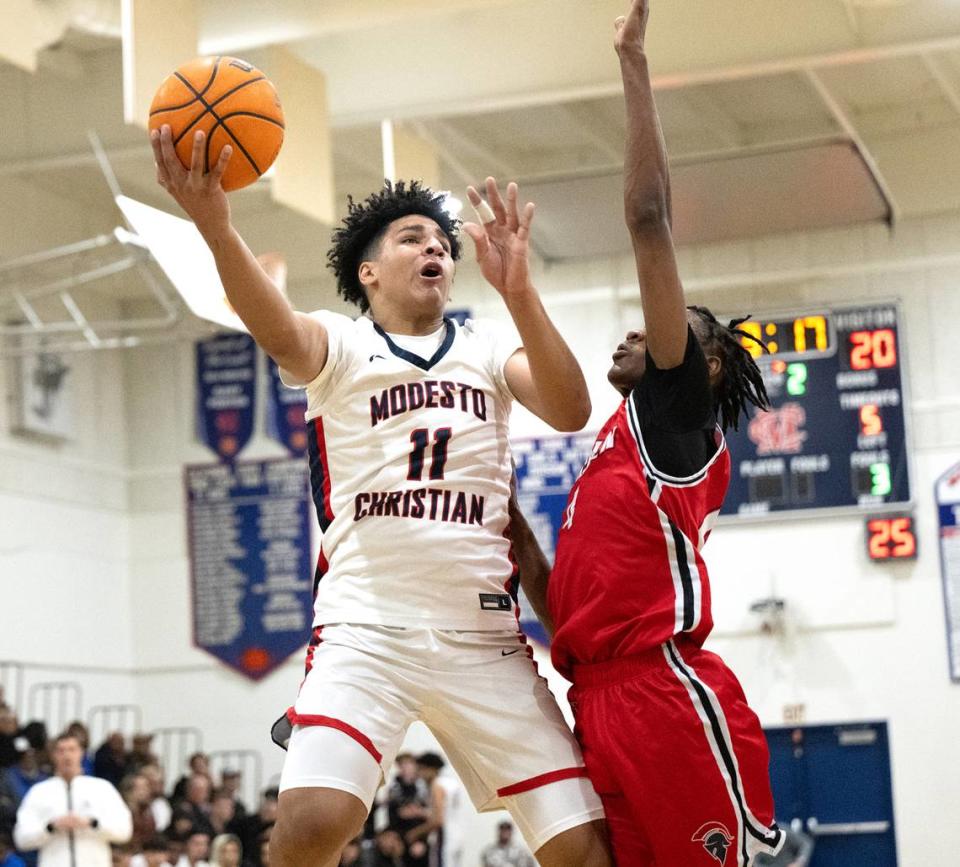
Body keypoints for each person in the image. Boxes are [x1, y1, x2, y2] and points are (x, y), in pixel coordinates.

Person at [151, 114, 610, 867]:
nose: (434, 247)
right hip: (367, 624)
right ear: (368, 270)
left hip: (485, 636)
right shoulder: (343, 345)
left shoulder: (488, 347)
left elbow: (570, 408)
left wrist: (521, 290)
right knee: (310, 822)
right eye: (411, 238)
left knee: (585, 850)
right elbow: (275, 327)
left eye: (442, 243)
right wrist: (215, 228)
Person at [507, 2, 785, 864]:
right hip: (592, 693)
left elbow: (647, 218)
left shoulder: (675, 416)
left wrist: (631, 62)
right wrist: (500, 513)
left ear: (699, 367)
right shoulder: (608, 450)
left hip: (666, 698)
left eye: (668, 329)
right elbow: (566, 608)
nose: (639, 331)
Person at [13, 732, 132, 867]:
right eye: (61, 751)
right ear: (53, 755)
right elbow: (21, 838)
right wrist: (51, 827)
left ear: (81, 753)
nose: (67, 756)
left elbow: (124, 830)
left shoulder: (102, 789)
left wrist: (93, 823)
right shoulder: (39, 792)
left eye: (72, 750)